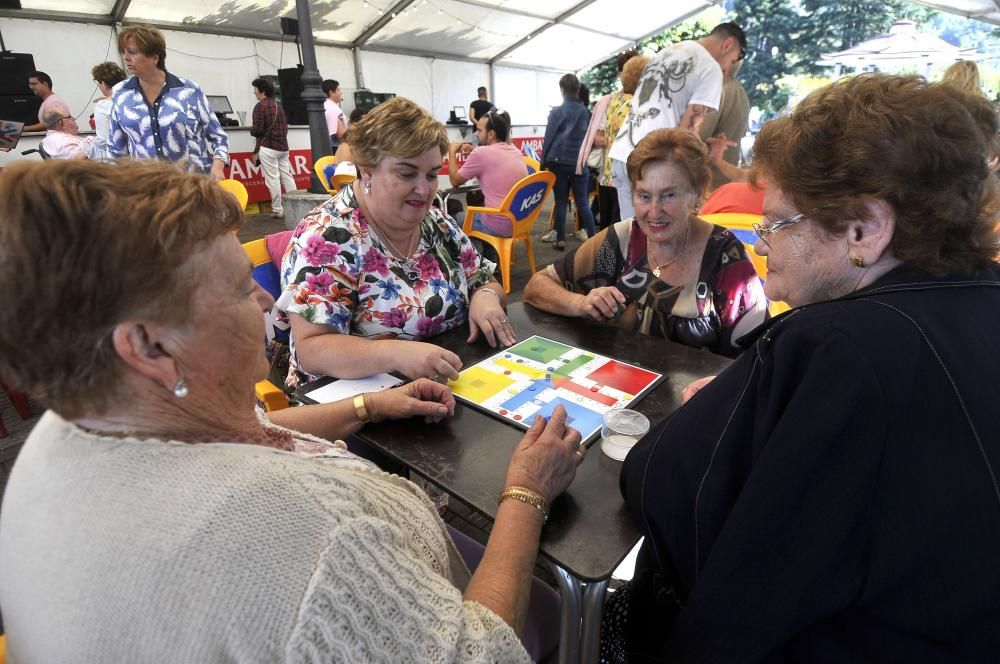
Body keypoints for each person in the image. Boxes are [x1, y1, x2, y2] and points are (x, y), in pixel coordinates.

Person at [0, 158, 584, 663]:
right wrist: (527, 493)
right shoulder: (308, 537)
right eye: (237, 288)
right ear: (149, 346)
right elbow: (483, 654)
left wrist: (367, 405)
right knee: (568, 609)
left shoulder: (77, 419)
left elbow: (244, 433)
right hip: (435, 601)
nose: (267, 299)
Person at [601, 74, 1000, 662]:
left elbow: (656, 480)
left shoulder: (835, 345)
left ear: (864, 228)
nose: (762, 244)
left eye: (779, 223)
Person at [277, 97, 514, 388]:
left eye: (431, 175)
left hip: (445, 382)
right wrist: (397, 354)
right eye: (406, 173)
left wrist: (485, 297)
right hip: (354, 407)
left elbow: (484, 280)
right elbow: (313, 349)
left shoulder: (437, 223)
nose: (424, 189)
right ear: (366, 169)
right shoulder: (327, 238)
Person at [525, 128, 767, 358]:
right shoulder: (622, 240)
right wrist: (580, 303)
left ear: (697, 193)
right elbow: (537, 286)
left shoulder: (725, 257)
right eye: (644, 196)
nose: (654, 211)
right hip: (621, 393)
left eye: (668, 195)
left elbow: (755, 357)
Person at [609, 22, 747, 219]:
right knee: (654, 241)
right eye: (731, 61)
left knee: (632, 235)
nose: (726, 69)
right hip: (653, 162)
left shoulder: (666, 52)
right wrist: (709, 152)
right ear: (727, 45)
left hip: (623, 153)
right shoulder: (710, 68)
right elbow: (687, 135)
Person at [108, 25, 230, 179]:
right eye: (123, 52)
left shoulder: (189, 90)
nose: (125, 57)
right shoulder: (121, 92)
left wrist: (218, 167)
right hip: (148, 189)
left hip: (194, 186)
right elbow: (116, 148)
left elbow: (219, 137)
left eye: (132, 52)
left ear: (155, 57)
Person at [447, 108, 528, 237]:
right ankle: (489, 251)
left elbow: (455, 181)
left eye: (479, 130)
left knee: (450, 217)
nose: (476, 134)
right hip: (521, 222)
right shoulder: (515, 151)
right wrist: (474, 151)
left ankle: (470, 253)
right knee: (476, 199)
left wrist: (452, 152)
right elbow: (493, 159)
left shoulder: (481, 154)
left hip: (498, 225)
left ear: (491, 134)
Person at [540, 73, 597, 250]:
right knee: (583, 202)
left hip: (558, 162)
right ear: (578, 89)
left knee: (561, 201)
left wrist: (543, 162)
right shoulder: (587, 112)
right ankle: (595, 240)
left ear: (562, 90)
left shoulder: (556, 112)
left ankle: (561, 239)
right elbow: (591, 138)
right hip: (580, 163)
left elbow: (548, 138)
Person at [598, 53, 649, 229]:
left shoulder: (616, 101)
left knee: (613, 226)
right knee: (624, 226)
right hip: (628, 172)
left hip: (610, 171)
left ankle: (606, 256)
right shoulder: (637, 106)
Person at [699, 58, 750, 190]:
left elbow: (696, 137)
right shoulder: (739, 90)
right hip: (725, 177)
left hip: (710, 181)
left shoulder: (720, 92)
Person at [250, 77, 297, 220]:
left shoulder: (260, 106)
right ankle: (296, 205)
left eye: (255, 89)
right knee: (287, 176)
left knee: (273, 179)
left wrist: (252, 130)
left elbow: (258, 129)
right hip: (283, 147)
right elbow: (285, 128)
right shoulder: (279, 106)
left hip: (268, 147)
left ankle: (278, 209)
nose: (254, 92)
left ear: (262, 91)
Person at [90, 61, 127, 162]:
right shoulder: (135, 98)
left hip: (118, 159)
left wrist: (88, 150)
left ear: (103, 83)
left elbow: (103, 140)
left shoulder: (103, 105)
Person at [323, 79, 348, 150]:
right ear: (331, 92)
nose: (341, 93)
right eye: (338, 90)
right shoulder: (333, 109)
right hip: (336, 147)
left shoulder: (324, 105)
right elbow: (341, 134)